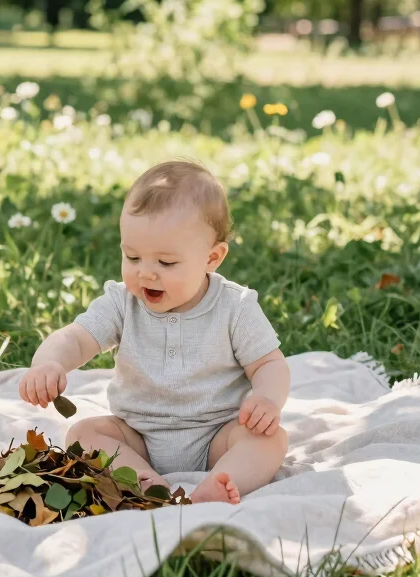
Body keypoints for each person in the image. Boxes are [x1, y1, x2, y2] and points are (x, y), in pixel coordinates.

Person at [19, 160, 289, 504]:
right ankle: (145, 482)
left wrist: (266, 398)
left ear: (212, 258)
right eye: (132, 257)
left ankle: (222, 482)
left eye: (166, 263)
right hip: (138, 437)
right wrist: (48, 363)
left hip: (217, 436)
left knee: (271, 439)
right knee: (83, 433)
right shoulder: (122, 302)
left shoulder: (235, 307)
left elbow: (269, 364)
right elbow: (74, 337)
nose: (146, 273)